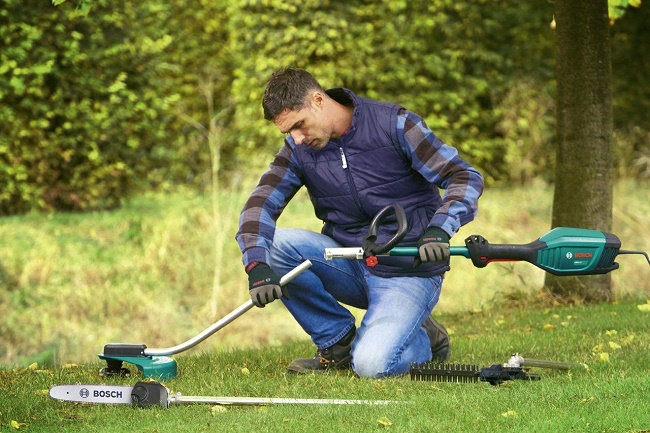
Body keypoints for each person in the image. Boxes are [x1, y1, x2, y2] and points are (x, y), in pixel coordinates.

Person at [236, 67, 484, 378]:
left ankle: (426, 340)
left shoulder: (394, 124)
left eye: (299, 125)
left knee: (371, 365)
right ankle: (337, 342)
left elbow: (464, 176)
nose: (297, 138)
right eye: (289, 133)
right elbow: (259, 204)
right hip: (350, 260)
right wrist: (256, 265)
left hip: (407, 268)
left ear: (318, 99)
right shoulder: (299, 151)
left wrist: (439, 229)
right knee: (276, 247)